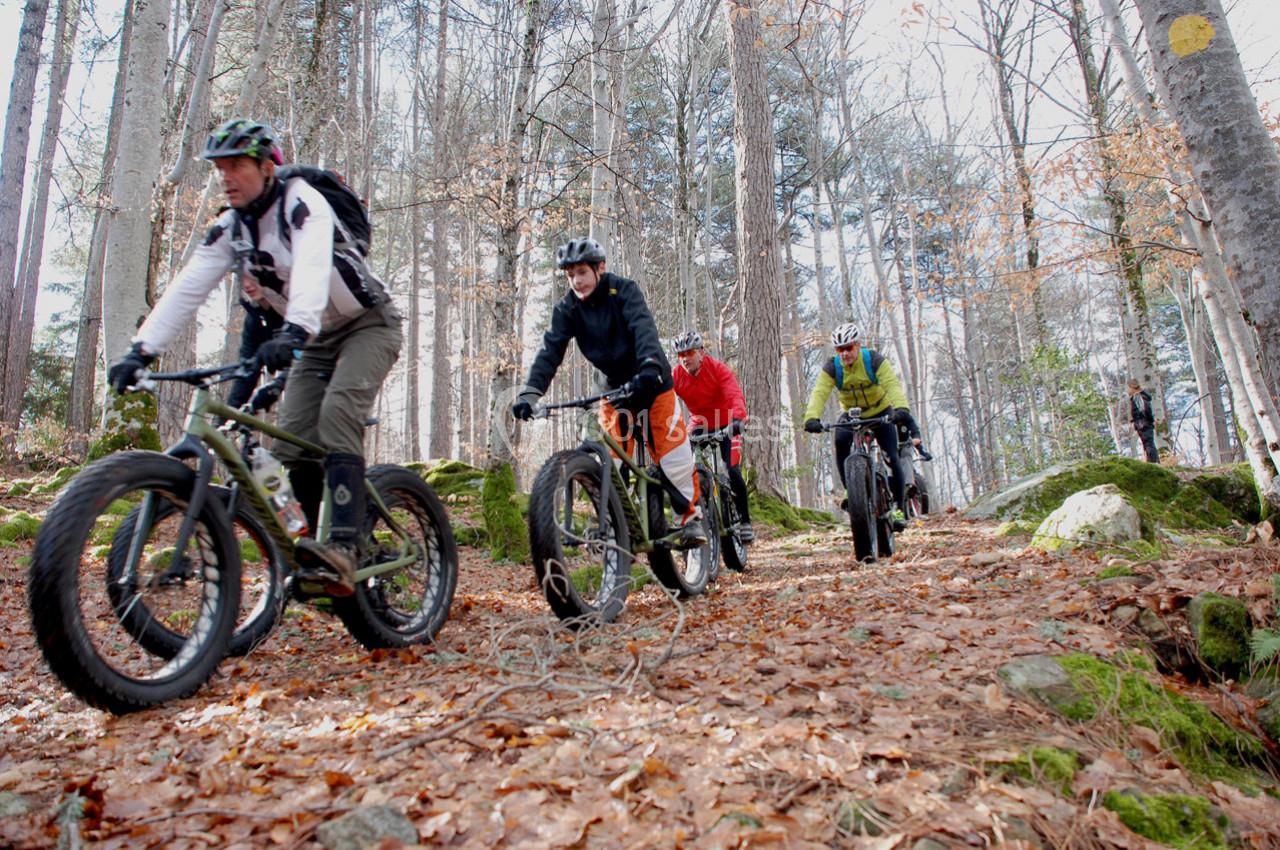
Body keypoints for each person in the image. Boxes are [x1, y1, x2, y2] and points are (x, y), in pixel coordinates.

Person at [107, 118, 402, 596]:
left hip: (369, 324)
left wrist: (293, 331)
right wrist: (142, 350)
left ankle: (344, 549)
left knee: (337, 415)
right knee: (290, 446)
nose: (226, 177)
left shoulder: (303, 202)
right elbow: (188, 286)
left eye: (237, 165)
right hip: (315, 336)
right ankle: (312, 554)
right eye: (220, 168)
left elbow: (309, 266)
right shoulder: (230, 229)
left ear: (267, 167)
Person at [511, 238, 706, 545]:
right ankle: (616, 521)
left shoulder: (624, 291)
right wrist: (530, 393)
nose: (576, 280)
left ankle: (690, 519)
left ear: (600, 269)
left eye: (582, 272)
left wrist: (650, 366)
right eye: (570, 274)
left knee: (672, 456)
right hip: (613, 391)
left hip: (652, 384)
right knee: (610, 462)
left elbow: (644, 330)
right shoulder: (568, 308)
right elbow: (550, 350)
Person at [802, 323, 913, 529]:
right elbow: (819, 392)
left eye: (849, 348)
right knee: (840, 441)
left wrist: (901, 409)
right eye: (840, 349)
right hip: (852, 414)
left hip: (880, 411)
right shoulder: (833, 367)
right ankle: (851, 492)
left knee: (891, 455)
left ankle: (898, 507)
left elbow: (891, 384)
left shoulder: (874, 360)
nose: (844, 354)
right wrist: (812, 417)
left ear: (858, 345)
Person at [670, 331, 754, 543]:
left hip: (727, 423)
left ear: (701, 353)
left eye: (689, 353)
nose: (685, 359)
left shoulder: (717, 369)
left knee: (732, 470)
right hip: (700, 423)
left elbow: (733, 393)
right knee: (683, 463)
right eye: (680, 355)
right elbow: (664, 397)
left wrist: (738, 419)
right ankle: (693, 514)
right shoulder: (677, 376)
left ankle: (745, 521)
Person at [1127, 378, 1160, 463]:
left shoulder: (1138, 396)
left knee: (1149, 444)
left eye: (1128, 388)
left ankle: (1153, 463)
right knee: (1147, 444)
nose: (1127, 390)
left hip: (1143, 424)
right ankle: (1152, 462)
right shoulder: (1140, 396)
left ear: (1132, 387)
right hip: (1142, 423)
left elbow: (1145, 410)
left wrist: (1147, 420)